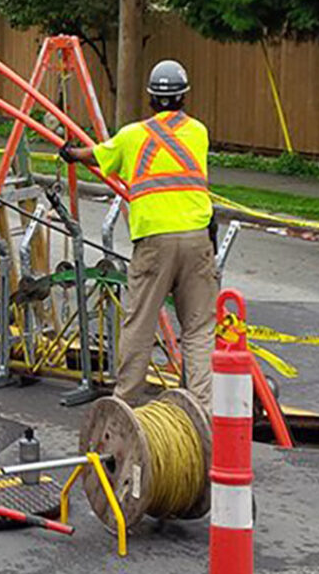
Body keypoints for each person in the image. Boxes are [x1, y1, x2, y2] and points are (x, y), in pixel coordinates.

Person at [60, 60, 216, 410]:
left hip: (154, 243)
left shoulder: (132, 137)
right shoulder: (199, 133)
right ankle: (201, 410)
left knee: (140, 325)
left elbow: (97, 156)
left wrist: (70, 153)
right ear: (183, 97)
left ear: (150, 98)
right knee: (199, 330)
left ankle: (124, 404)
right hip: (196, 239)